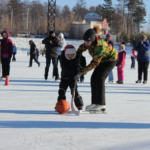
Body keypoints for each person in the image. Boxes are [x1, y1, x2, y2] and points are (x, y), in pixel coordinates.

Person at [75, 27, 118, 112]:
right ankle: (95, 103)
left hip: (111, 60)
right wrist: (77, 58)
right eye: (85, 41)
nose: (86, 43)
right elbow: (80, 49)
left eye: (88, 42)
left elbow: (94, 63)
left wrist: (82, 71)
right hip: (102, 60)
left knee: (100, 78)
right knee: (93, 78)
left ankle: (101, 104)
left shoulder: (100, 46)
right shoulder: (88, 43)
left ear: (93, 40)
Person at [57, 45, 83, 112]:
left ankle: (80, 106)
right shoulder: (62, 57)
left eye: (72, 54)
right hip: (65, 77)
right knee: (61, 91)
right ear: (66, 53)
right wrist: (76, 72)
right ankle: (60, 105)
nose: (70, 56)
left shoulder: (78, 56)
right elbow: (65, 69)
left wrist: (81, 71)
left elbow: (83, 61)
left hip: (73, 79)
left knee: (74, 92)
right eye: (68, 54)